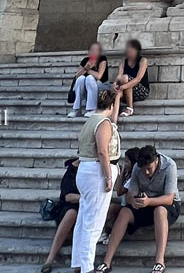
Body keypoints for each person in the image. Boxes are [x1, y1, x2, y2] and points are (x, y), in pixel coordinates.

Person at [96, 145, 180, 273]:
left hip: (166, 205)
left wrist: (149, 201)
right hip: (143, 202)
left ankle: (159, 261)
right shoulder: (137, 168)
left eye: (149, 168)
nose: (146, 172)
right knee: (124, 212)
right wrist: (133, 200)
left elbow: (169, 198)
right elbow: (130, 193)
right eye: (143, 169)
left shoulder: (169, 166)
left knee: (160, 211)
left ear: (156, 160)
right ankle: (106, 262)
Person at [71, 88, 120, 273]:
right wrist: (108, 176)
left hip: (85, 169)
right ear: (113, 105)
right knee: (94, 223)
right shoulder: (103, 123)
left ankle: (78, 263)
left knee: (84, 219)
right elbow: (102, 151)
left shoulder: (90, 120)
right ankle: (87, 267)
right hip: (96, 172)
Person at [41, 157, 80, 273]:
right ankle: (49, 259)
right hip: (69, 206)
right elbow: (68, 197)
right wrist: (87, 198)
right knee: (72, 213)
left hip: (86, 207)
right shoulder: (72, 171)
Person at [68, 42, 112, 117]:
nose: (94, 52)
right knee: (81, 78)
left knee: (90, 78)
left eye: (96, 50)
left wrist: (88, 70)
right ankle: (77, 109)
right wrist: (85, 67)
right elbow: (77, 76)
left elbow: (99, 76)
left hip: (102, 87)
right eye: (92, 50)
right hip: (89, 89)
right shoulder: (85, 60)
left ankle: (92, 109)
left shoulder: (102, 59)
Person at [111, 39, 150, 118]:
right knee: (118, 90)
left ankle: (130, 108)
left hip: (141, 90)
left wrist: (123, 86)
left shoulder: (143, 61)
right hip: (125, 90)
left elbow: (138, 79)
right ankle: (113, 119)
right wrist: (115, 84)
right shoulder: (123, 62)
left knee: (125, 78)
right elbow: (119, 76)